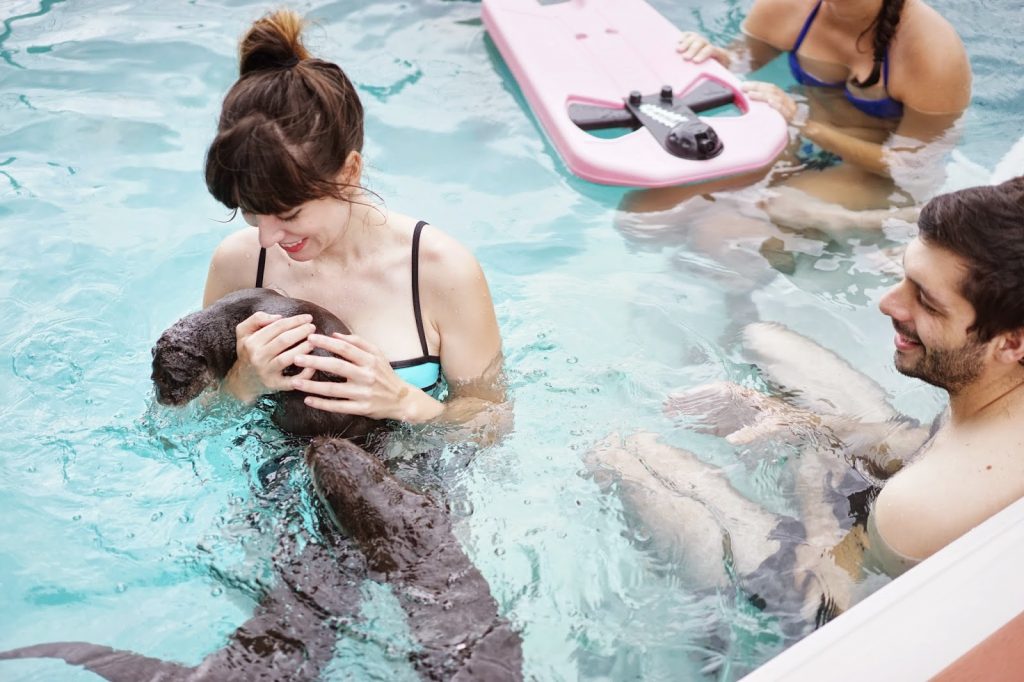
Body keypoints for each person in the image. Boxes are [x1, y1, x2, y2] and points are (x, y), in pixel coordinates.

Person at [590, 178, 1024, 633]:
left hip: (815, 596)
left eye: (927, 302)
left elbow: (830, 602)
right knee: (766, 340)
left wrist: (814, 482)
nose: (888, 302)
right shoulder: (1001, 396)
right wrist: (797, 423)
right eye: (905, 277)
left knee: (623, 454)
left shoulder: (915, 508)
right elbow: (926, 445)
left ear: (1011, 341)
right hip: (902, 502)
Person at [200, 10, 505, 431]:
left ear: (349, 172)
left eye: (289, 214)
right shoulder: (237, 264)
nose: (266, 237)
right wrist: (241, 385)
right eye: (251, 212)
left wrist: (402, 400)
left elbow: (493, 424)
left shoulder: (440, 271)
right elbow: (177, 423)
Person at [622, 0, 971, 236]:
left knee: (720, 232)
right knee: (644, 213)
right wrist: (718, 59)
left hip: (875, 172)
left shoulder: (932, 50)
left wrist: (806, 125)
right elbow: (743, 59)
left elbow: (914, 165)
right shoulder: (793, 6)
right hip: (797, 135)